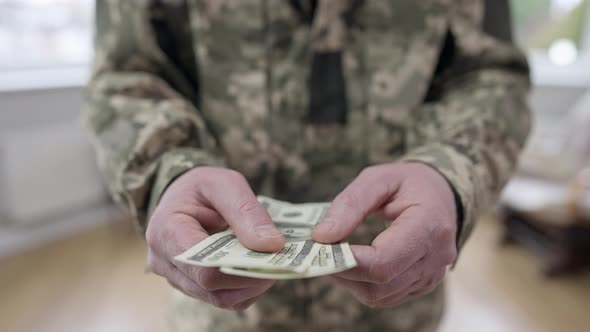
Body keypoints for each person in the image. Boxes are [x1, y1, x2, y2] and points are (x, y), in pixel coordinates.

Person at [83, 0, 531, 331]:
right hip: (223, 308)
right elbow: (127, 77)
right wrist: (169, 172)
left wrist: (448, 174)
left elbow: (490, 76)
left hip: (397, 304)